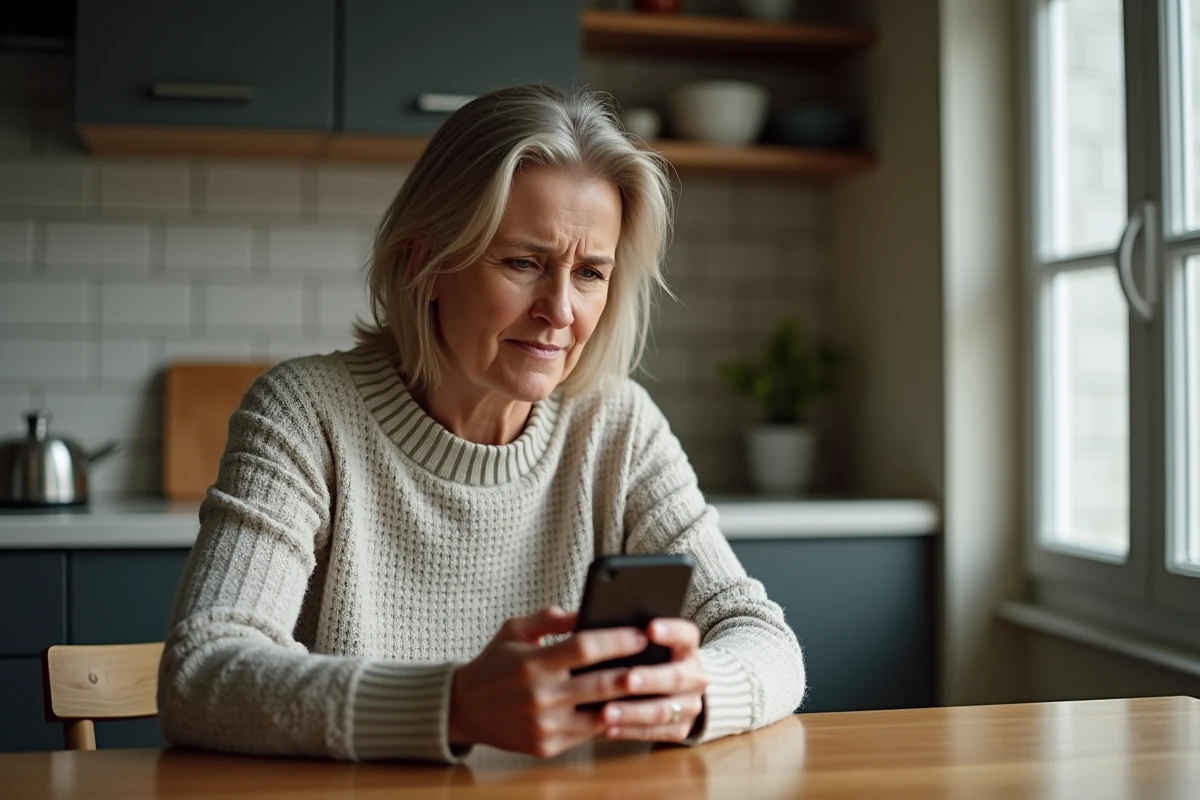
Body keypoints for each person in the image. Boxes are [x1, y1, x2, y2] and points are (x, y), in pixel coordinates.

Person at [157, 83, 806, 764]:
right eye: (525, 263)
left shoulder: (615, 425)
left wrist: (688, 692)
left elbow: (761, 635)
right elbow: (201, 674)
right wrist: (457, 706)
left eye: (590, 273)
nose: (560, 310)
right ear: (425, 263)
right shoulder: (305, 412)